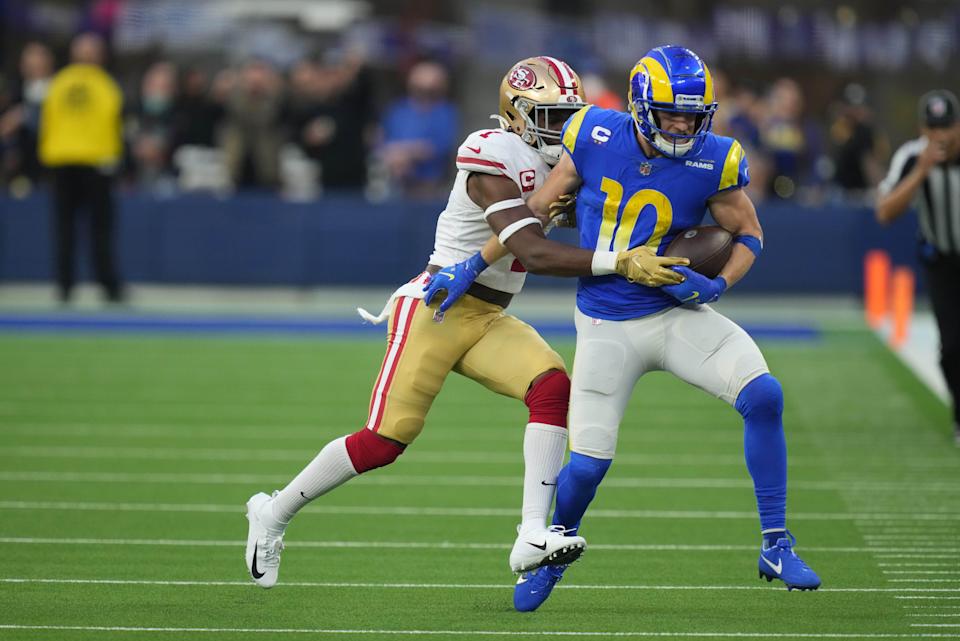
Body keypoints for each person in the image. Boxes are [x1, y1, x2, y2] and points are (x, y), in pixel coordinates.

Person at [243, 56, 687, 589]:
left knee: (551, 387)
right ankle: (273, 512)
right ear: (516, 115)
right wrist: (617, 261)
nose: (560, 127)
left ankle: (530, 533)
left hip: (489, 315)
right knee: (385, 440)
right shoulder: (492, 153)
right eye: (549, 116)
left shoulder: (569, 160)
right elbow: (530, 248)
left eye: (568, 115)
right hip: (437, 307)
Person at [432, 45, 822, 611]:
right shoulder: (592, 133)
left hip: (675, 312)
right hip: (606, 323)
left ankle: (776, 543)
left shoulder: (716, 156)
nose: (684, 124)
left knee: (764, 395)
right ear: (641, 107)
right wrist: (473, 262)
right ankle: (552, 551)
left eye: (693, 114)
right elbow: (534, 212)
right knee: (587, 466)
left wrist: (718, 286)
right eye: (671, 113)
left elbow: (750, 235)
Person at [876, 89, 960, 447]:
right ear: (921, 128)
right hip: (942, 261)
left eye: (947, 127)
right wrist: (921, 172)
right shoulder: (912, 156)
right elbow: (885, 212)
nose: (940, 136)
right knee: (953, 347)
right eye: (933, 127)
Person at [39, 32, 123, 303]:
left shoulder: (59, 83)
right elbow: (114, 123)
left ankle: (66, 286)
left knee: (66, 227)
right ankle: (107, 285)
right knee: (99, 228)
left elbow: (46, 123)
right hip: (95, 163)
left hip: (64, 161)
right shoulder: (105, 84)